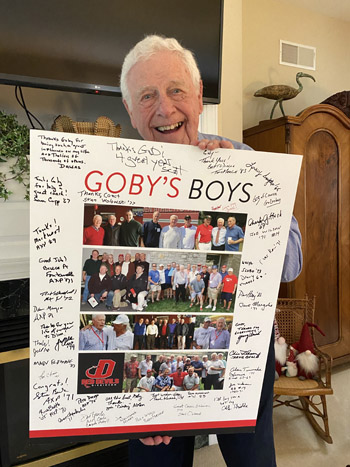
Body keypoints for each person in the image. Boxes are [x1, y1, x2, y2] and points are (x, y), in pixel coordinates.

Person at [121, 34, 302, 467]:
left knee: (253, 462)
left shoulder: (243, 159)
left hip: (241, 356)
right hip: (151, 363)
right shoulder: (111, 173)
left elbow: (292, 263)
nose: (165, 108)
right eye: (147, 96)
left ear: (199, 96)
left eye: (176, 90)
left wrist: (242, 203)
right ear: (130, 110)